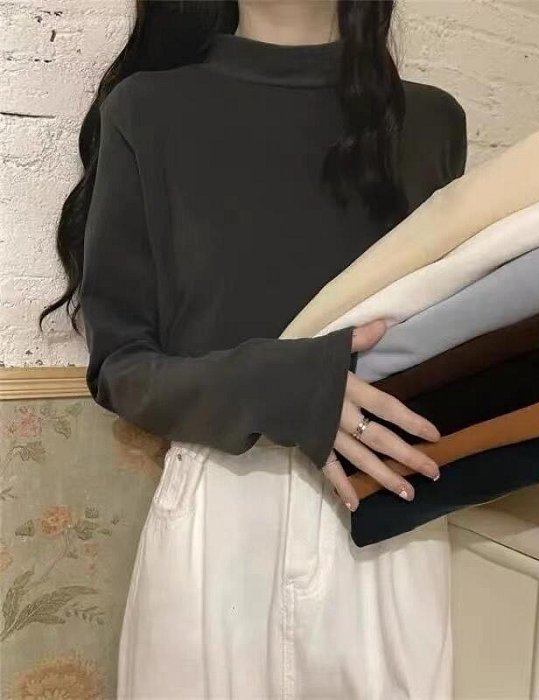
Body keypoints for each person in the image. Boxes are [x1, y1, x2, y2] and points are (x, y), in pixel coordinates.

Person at [41, 1, 467, 697]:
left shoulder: (430, 122)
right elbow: (121, 368)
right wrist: (288, 386)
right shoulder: (148, 113)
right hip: (221, 514)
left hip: (387, 512)